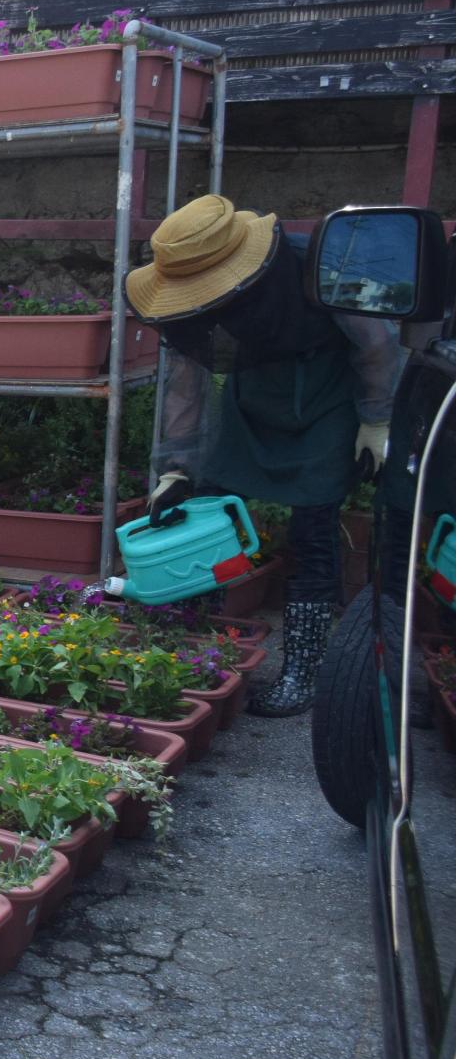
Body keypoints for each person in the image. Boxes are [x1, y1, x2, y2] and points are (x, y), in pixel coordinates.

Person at [127, 194, 404, 716]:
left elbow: (375, 342)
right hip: (254, 394)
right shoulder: (189, 306)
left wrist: (376, 416)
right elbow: (186, 384)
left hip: (328, 392)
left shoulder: (314, 264)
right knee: (203, 506)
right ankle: (188, 649)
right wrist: (177, 466)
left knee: (314, 523)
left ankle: (303, 668)